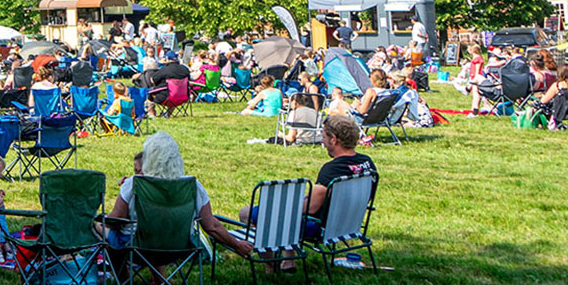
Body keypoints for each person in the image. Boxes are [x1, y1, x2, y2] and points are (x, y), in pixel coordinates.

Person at [238, 115, 377, 266]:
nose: (322, 141)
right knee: (292, 213)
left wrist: (284, 205)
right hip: (349, 223)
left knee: (247, 213)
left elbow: (310, 208)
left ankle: (271, 266)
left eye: (324, 137)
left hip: (321, 228)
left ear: (334, 139)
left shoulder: (332, 169)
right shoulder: (367, 163)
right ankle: (288, 259)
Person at [106, 133, 255, 260]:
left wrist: (100, 220)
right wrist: (237, 244)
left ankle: (123, 278)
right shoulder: (192, 185)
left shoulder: (133, 184)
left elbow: (114, 221)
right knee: (159, 233)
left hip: (137, 248)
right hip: (180, 248)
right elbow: (212, 226)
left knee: (106, 230)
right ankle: (159, 280)